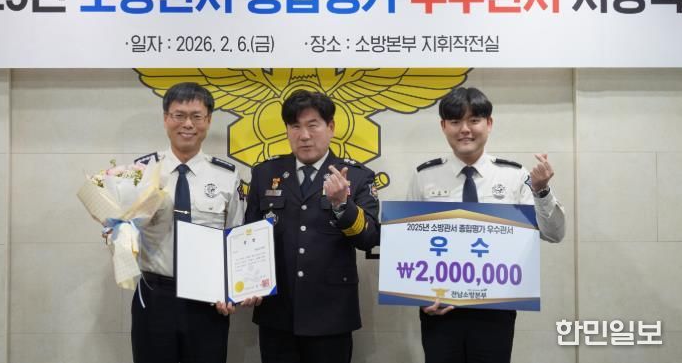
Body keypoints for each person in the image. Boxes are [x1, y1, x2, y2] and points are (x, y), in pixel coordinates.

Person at [407, 87, 565, 363]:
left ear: (489, 123)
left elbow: (554, 234)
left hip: (496, 308)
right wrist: (419, 296)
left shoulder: (514, 176)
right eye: (455, 121)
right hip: (439, 307)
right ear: (443, 126)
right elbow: (409, 243)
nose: (465, 129)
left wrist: (541, 191)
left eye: (474, 120)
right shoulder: (424, 176)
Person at [243, 89, 380, 363]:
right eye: (295, 126)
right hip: (277, 313)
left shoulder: (356, 176)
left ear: (331, 127)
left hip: (331, 314)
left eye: (313, 125)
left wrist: (342, 204)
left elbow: (369, 238)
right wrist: (246, 283)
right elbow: (249, 235)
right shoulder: (265, 173)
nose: (304, 135)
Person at [130, 82, 245, 363]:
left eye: (196, 116)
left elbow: (237, 240)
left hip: (207, 299)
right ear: (165, 118)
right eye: (179, 115)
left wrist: (231, 291)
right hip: (155, 294)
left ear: (208, 120)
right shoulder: (141, 173)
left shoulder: (227, 176)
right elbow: (124, 231)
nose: (188, 124)